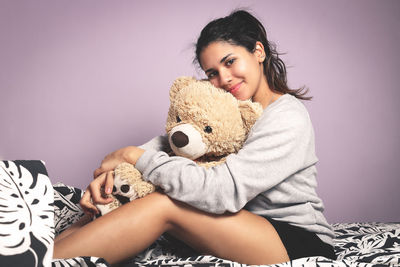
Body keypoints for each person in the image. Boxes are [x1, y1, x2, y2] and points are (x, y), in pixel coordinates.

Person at [53, 9, 336, 265]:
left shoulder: (287, 115)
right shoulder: (224, 107)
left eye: (230, 62)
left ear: (258, 52)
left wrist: (132, 156)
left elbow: (223, 191)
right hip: (243, 225)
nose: (223, 79)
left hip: (294, 239)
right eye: (212, 73)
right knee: (112, 205)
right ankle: (35, 254)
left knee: (163, 204)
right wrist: (116, 172)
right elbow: (167, 145)